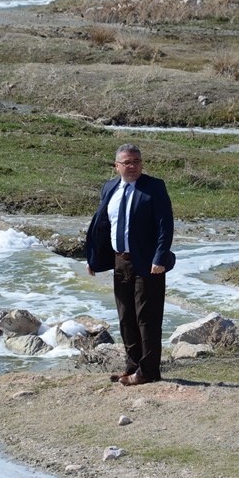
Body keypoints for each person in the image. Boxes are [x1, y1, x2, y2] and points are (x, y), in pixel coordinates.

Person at [85, 143, 175, 386]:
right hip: (120, 262)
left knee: (147, 318)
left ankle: (148, 371)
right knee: (126, 317)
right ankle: (132, 366)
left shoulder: (154, 187)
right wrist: (93, 259)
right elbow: (102, 226)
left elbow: (165, 226)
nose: (132, 165)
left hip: (148, 264)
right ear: (117, 166)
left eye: (136, 161)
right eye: (127, 162)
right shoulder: (109, 188)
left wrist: (159, 258)